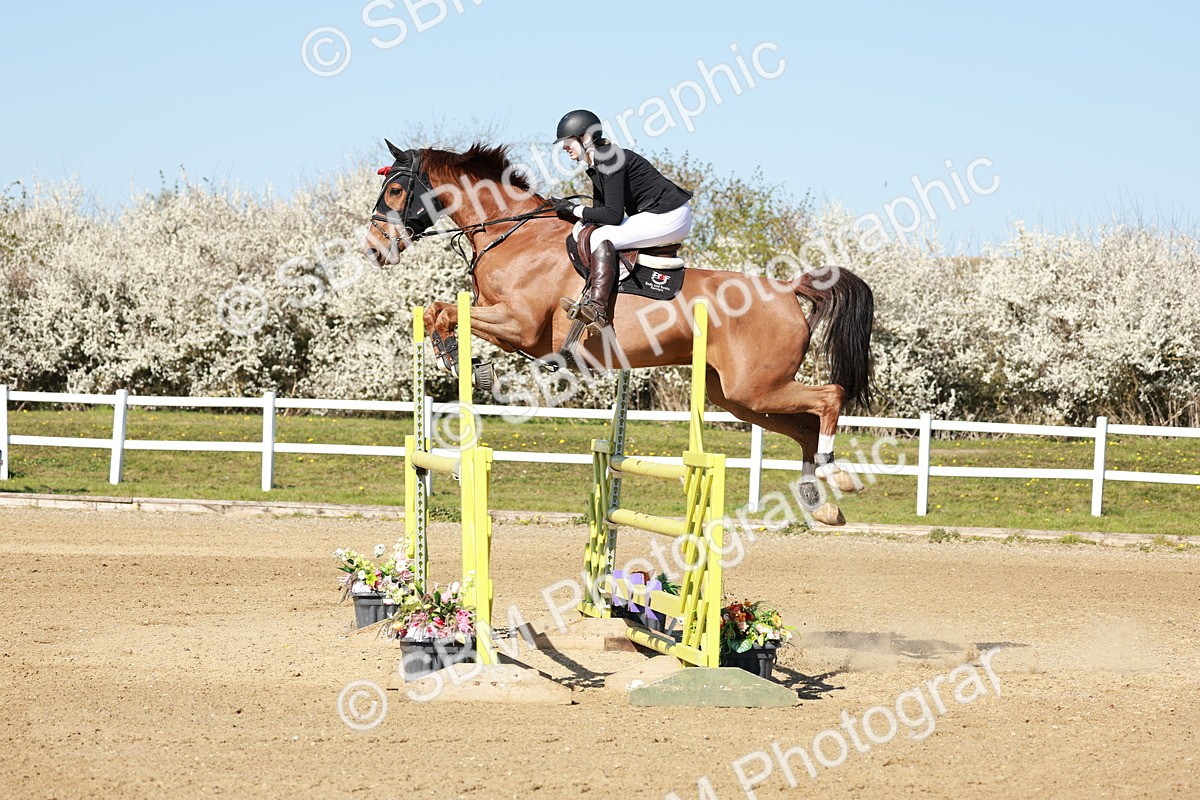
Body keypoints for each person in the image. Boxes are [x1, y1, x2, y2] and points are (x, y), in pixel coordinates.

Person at [550, 109, 694, 330]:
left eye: (568, 141)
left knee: (599, 238)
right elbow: (600, 210)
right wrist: (575, 216)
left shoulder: (608, 159)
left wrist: (573, 209)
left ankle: (597, 308)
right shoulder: (597, 163)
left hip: (669, 215)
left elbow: (613, 216)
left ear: (586, 138)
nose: (564, 147)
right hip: (659, 214)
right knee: (586, 230)